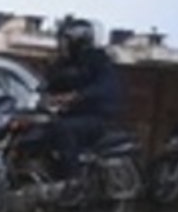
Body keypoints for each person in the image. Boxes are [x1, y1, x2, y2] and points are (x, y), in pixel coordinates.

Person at [42, 17, 124, 201]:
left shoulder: (99, 61)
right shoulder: (62, 64)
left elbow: (105, 87)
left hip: (96, 116)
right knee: (39, 128)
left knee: (65, 129)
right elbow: (49, 84)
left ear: (78, 41)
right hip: (69, 114)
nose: (61, 45)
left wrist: (77, 95)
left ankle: (74, 180)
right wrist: (43, 94)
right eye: (60, 40)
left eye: (65, 40)